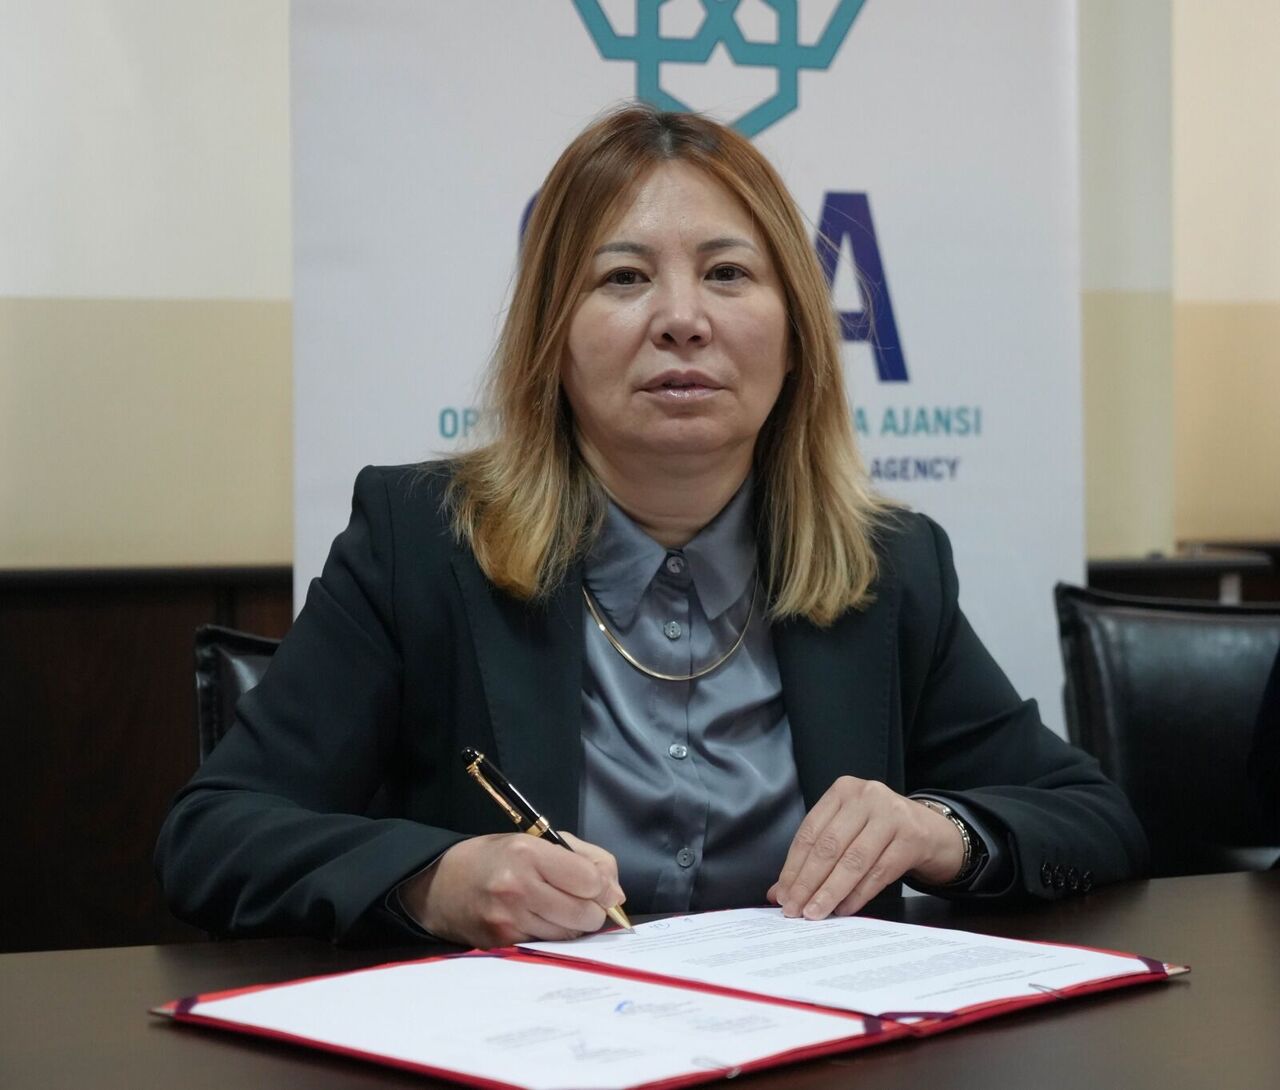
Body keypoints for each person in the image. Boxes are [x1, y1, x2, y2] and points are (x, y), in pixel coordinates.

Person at [156, 104, 1148, 948]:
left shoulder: (886, 565)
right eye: (623, 277)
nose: (682, 318)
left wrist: (942, 831)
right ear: (552, 340)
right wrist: (435, 880)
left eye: (728, 274)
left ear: (797, 337)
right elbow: (212, 835)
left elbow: (1093, 820)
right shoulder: (419, 543)